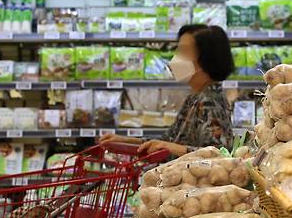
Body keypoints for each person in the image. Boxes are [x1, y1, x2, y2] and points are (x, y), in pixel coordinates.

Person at [99, 24, 234, 157]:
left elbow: (219, 154)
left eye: (183, 51)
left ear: (206, 58)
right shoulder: (195, 97)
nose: (174, 59)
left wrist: (170, 147)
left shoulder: (210, 101)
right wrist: (125, 142)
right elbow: (169, 140)